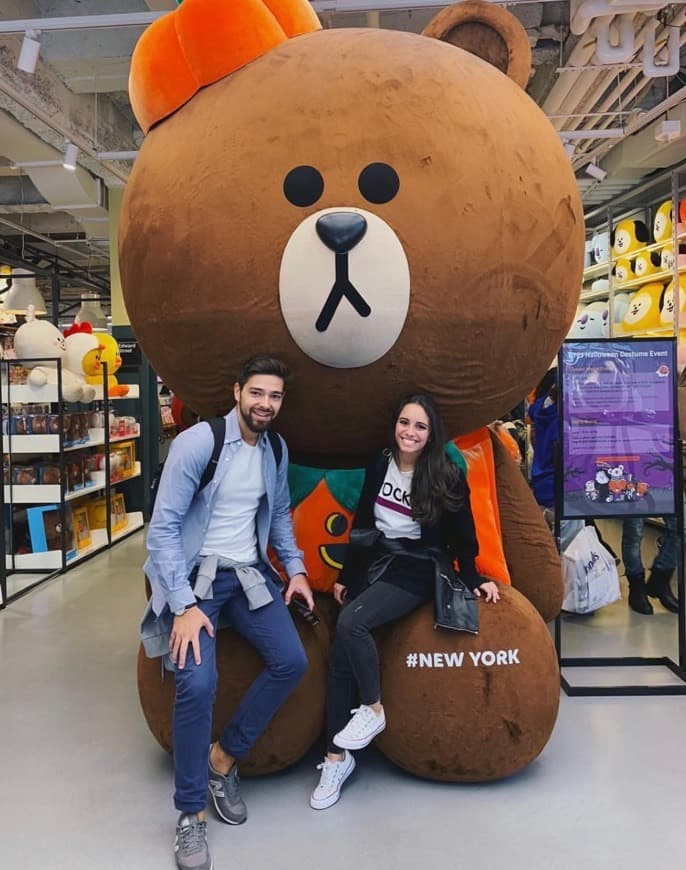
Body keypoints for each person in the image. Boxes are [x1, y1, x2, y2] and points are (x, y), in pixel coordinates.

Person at [143, 355, 313, 870]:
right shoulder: (201, 442)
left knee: (292, 661)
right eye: (257, 393)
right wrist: (184, 606)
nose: (265, 404)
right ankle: (191, 814)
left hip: (248, 576)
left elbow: (278, 514)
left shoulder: (275, 449)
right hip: (196, 578)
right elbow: (163, 529)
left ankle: (223, 760)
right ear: (237, 391)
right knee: (196, 683)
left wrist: (299, 570)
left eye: (275, 396)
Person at [309, 393, 500, 810]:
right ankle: (335, 758)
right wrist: (347, 576)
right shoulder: (380, 462)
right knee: (340, 657)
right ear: (394, 425)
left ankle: (374, 710)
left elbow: (464, 534)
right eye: (404, 423)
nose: (409, 432)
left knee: (351, 623)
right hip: (378, 560)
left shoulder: (445, 473)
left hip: (416, 568)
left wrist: (472, 577)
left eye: (419, 426)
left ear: (431, 434)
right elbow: (363, 522)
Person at [622, 516, 678, 615]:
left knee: (680, 528)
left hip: (668, 499)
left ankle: (660, 580)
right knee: (633, 534)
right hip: (634, 501)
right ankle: (636, 587)